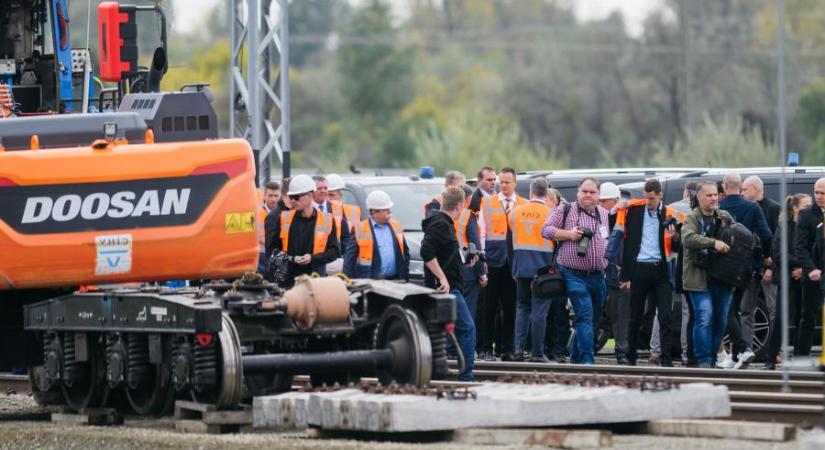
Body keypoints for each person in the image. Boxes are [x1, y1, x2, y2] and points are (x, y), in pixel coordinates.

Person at [614, 179, 682, 367]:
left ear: (660, 196)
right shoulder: (635, 212)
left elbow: (677, 246)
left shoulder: (669, 214)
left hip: (661, 270)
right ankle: (631, 357)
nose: (648, 202)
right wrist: (626, 275)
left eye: (651, 198)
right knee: (635, 315)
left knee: (665, 316)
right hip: (640, 268)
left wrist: (674, 235)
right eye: (645, 198)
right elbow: (626, 242)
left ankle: (666, 359)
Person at [541, 177, 609, 365]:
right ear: (578, 192)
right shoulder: (565, 209)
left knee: (594, 320)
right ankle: (587, 360)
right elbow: (545, 230)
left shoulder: (604, 214)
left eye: (592, 192)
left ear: (598, 195)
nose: (588, 195)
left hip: (598, 275)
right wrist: (569, 234)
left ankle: (575, 355)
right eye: (584, 191)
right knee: (585, 316)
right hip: (573, 274)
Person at [421, 186, 476, 381]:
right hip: (448, 287)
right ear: (460, 205)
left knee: (441, 331)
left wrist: (463, 258)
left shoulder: (441, 222)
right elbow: (426, 251)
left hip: (449, 285)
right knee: (467, 329)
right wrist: (442, 277)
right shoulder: (441, 224)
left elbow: (441, 251)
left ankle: (436, 370)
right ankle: (466, 377)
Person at [718, 172, 772, 369]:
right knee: (743, 311)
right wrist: (765, 256)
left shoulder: (719, 209)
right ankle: (736, 355)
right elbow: (766, 235)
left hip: (724, 268)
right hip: (747, 268)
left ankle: (741, 351)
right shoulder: (753, 208)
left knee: (727, 310)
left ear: (724, 186)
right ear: (740, 188)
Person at [682, 181, 733, 368]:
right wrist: (713, 243)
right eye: (709, 195)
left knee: (720, 320)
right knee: (704, 316)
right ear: (700, 197)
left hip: (722, 278)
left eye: (715, 195)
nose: (714, 198)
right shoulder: (692, 218)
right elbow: (688, 238)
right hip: (698, 279)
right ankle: (703, 360)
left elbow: (736, 235)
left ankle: (712, 357)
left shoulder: (724, 216)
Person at [479, 167, 527, 361]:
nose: (504, 185)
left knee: (510, 307)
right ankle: (485, 348)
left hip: (513, 262)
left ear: (515, 183)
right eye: (502, 182)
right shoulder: (487, 203)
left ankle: (508, 348)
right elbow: (481, 232)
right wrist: (482, 260)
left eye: (508, 182)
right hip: (492, 260)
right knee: (488, 307)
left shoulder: (524, 204)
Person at [264, 174, 340, 287]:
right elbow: (272, 251)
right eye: (291, 197)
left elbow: (334, 251)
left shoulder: (326, 220)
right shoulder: (283, 219)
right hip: (289, 283)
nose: (293, 201)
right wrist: (291, 260)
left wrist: (313, 258)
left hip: (315, 281)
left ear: (310, 195)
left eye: (297, 197)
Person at [510, 178, 556, 363]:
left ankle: (519, 350)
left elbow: (510, 241)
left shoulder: (515, 212)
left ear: (530, 192)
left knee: (522, 308)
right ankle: (537, 353)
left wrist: (514, 267)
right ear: (546, 193)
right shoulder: (551, 214)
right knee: (539, 312)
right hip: (543, 269)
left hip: (522, 268)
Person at [765, 193, 811, 369]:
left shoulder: (814, 225)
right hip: (787, 278)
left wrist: (804, 269)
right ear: (795, 208)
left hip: (807, 279)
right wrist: (801, 264)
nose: (809, 208)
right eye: (806, 206)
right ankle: (771, 358)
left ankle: (800, 359)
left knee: (804, 318)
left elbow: (817, 251)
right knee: (780, 319)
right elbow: (778, 253)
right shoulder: (785, 227)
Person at [343, 190, 409, 280]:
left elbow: (405, 252)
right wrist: (347, 281)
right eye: (385, 209)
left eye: (389, 208)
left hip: (396, 280)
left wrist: (404, 272)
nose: (389, 211)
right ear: (374, 212)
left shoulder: (396, 225)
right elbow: (349, 259)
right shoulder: (360, 229)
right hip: (370, 281)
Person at [793, 178, 825, 357]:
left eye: (823, 193)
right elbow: (800, 247)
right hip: (813, 274)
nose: (819, 196)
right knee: (808, 318)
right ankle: (801, 359)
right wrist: (811, 268)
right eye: (816, 192)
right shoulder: (806, 215)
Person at [742, 175, 781, 322]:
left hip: (768, 268)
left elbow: (778, 241)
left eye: (745, 189)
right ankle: (746, 345)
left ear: (755, 189)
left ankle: (774, 344)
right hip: (751, 268)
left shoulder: (774, 208)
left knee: (773, 310)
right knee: (746, 309)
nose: (742, 193)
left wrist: (771, 267)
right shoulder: (747, 208)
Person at [602, 182, 632, 365]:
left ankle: (622, 353)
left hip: (617, 276)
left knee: (621, 317)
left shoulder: (623, 218)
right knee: (604, 316)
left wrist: (624, 269)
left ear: (614, 201)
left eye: (603, 201)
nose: (600, 204)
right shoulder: (600, 217)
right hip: (600, 275)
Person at [457, 184, 485, 319]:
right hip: (468, 270)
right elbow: (475, 246)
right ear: (468, 199)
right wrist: (482, 273)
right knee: (468, 314)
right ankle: (467, 340)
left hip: (449, 270)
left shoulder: (445, 213)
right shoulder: (468, 216)